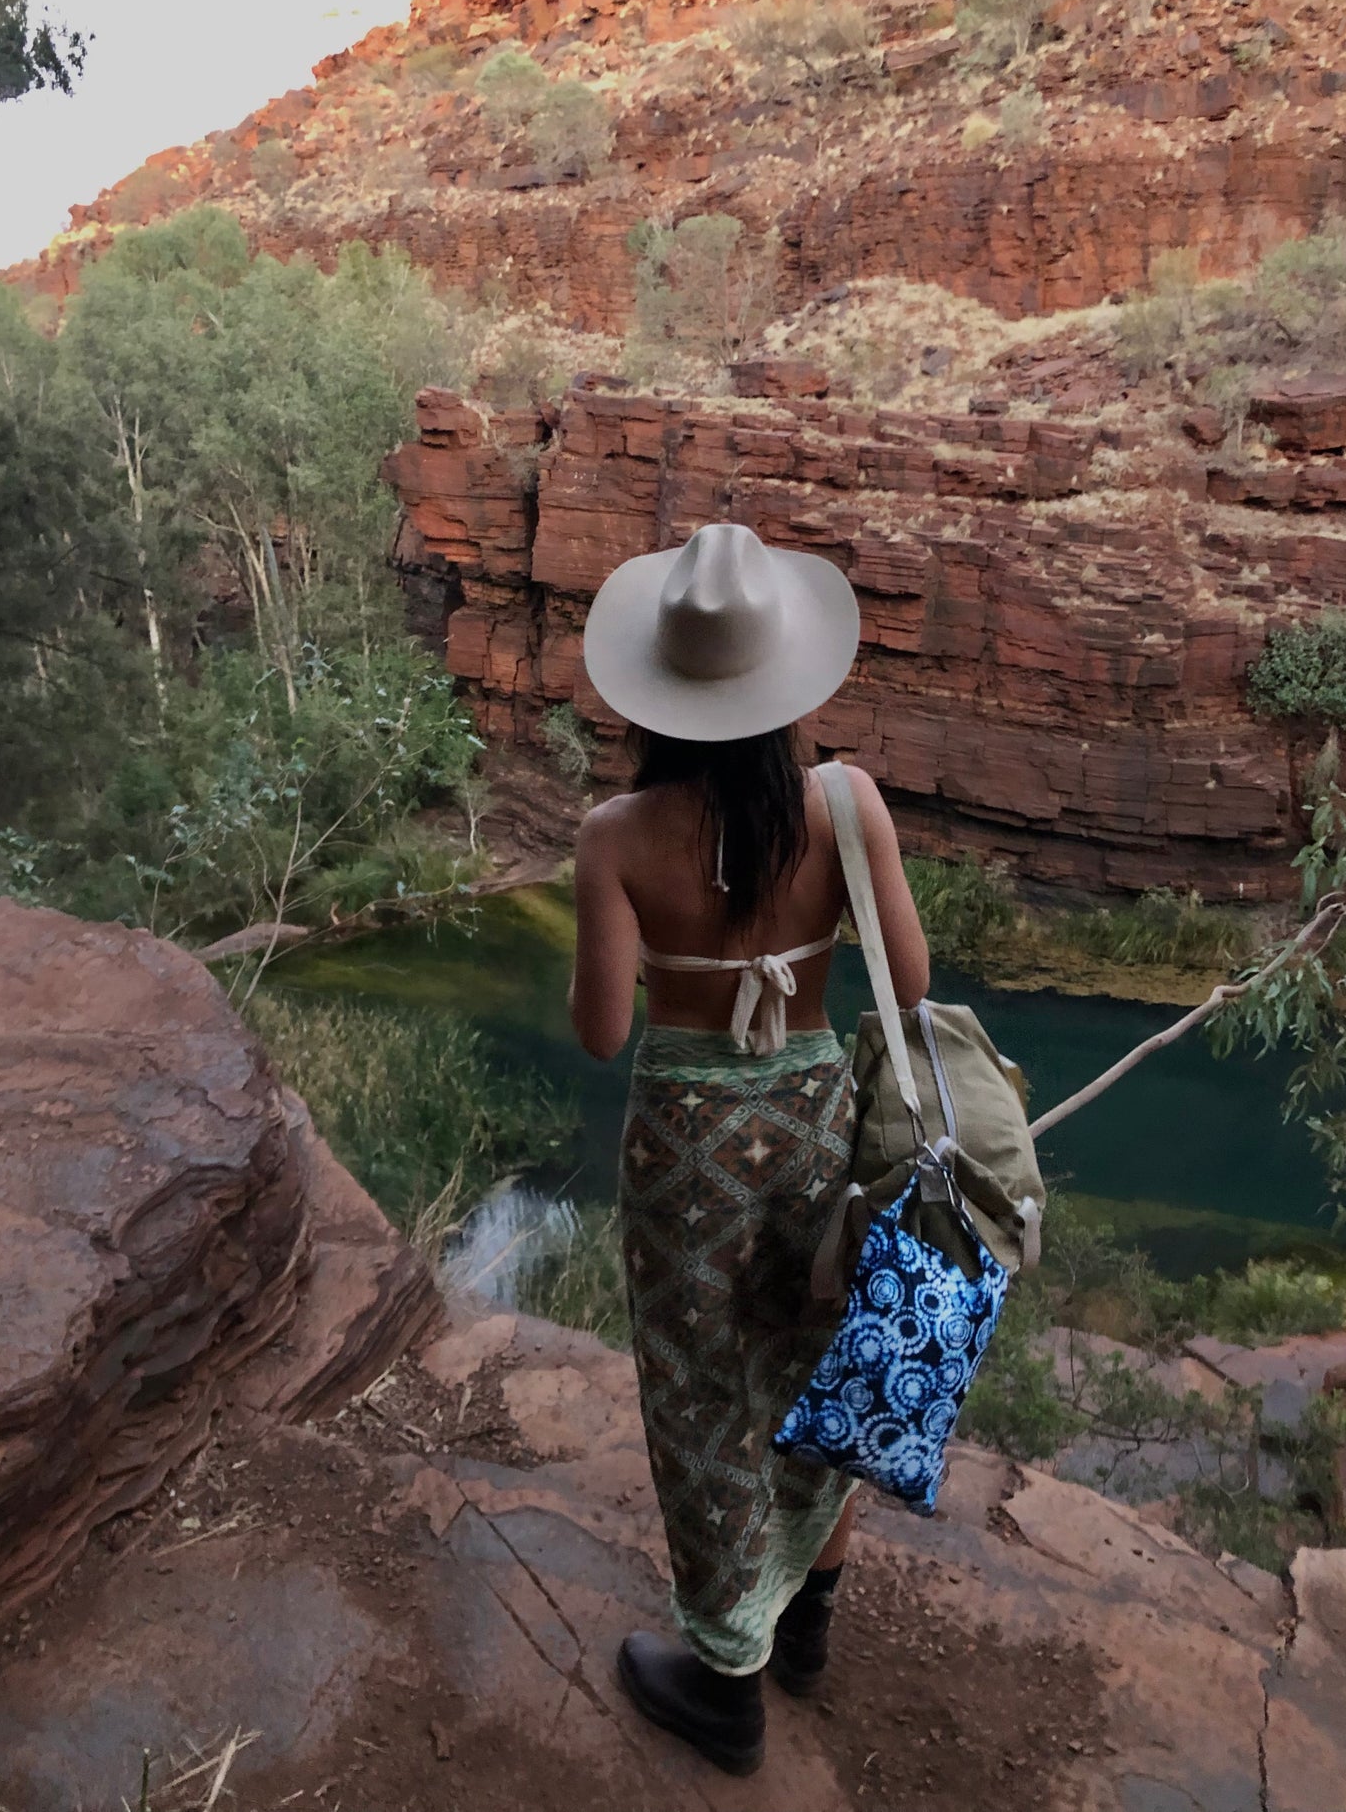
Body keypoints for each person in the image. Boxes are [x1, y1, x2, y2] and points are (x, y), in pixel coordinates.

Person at [569, 521, 929, 1776]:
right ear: (784, 676)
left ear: (656, 688)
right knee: (812, 1355)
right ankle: (808, 1625)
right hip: (816, 1118)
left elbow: (603, 1033)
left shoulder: (611, 835)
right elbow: (912, 978)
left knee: (701, 1387)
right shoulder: (846, 801)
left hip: (683, 1142)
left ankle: (726, 1672)